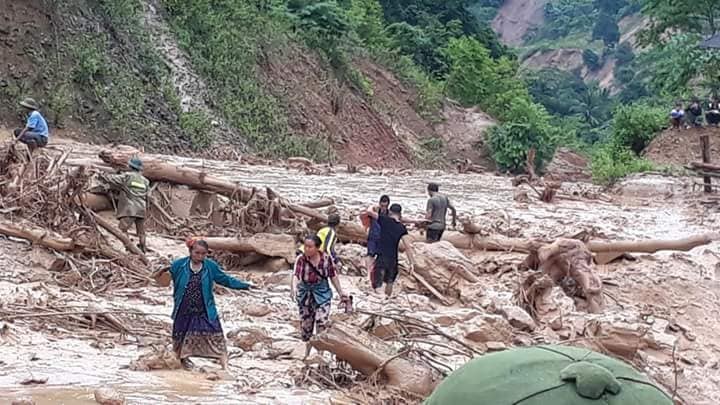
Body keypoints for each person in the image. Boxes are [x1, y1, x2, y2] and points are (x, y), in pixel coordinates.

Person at [154, 239, 252, 370]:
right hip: (184, 307)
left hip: (205, 307)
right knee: (180, 338)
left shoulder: (210, 266)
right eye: (197, 253)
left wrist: (245, 286)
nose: (200, 256)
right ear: (190, 252)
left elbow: (225, 279)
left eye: (203, 254)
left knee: (217, 337)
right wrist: (161, 273)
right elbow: (162, 280)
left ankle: (225, 366)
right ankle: (182, 362)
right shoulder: (179, 265)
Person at [291, 234, 348, 358]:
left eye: (310, 247)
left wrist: (341, 292)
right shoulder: (301, 259)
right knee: (306, 325)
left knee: (322, 321)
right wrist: (294, 289)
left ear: (317, 248)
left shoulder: (326, 259)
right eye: (305, 246)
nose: (307, 249)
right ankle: (306, 353)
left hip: (322, 293)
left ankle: (320, 354)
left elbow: (333, 276)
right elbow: (296, 275)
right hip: (305, 294)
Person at [363, 203, 416, 298]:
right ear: (400, 214)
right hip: (393, 259)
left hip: (382, 257)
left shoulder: (384, 220)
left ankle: (382, 298)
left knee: (378, 285)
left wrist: (373, 205)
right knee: (389, 282)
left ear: (390, 212)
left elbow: (369, 212)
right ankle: (387, 298)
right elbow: (408, 246)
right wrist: (411, 263)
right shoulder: (402, 228)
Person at [99, 157, 150, 252]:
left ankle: (129, 248)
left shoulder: (127, 176)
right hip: (142, 210)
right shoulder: (145, 181)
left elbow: (111, 179)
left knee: (122, 229)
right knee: (141, 232)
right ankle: (143, 248)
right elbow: (148, 196)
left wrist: (101, 174)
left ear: (130, 166)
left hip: (129, 208)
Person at [361, 195, 390, 273]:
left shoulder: (389, 214)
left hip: (383, 238)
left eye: (385, 206)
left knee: (382, 257)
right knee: (370, 255)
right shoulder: (375, 211)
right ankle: (368, 273)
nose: (384, 208)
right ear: (379, 204)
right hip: (373, 236)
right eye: (382, 205)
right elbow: (368, 211)